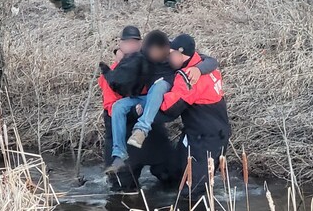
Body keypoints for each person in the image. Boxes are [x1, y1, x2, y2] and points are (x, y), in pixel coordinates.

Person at [100, 31, 218, 174]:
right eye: (152, 51)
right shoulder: (143, 54)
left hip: (168, 94)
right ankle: (119, 154)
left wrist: (198, 69)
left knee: (160, 85)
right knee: (119, 106)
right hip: (149, 99)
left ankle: (142, 129)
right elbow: (123, 69)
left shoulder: (174, 53)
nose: (155, 54)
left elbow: (210, 61)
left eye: (159, 51)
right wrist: (119, 55)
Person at [99, 26, 178, 193]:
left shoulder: (151, 61)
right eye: (127, 42)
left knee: (172, 177)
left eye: (135, 42)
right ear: (120, 45)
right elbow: (111, 108)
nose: (132, 46)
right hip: (123, 131)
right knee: (123, 190)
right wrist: (135, 111)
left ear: (141, 44)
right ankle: (119, 158)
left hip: (152, 134)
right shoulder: (114, 72)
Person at [160, 34, 230, 201]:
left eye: (171, 54)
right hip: (200, 133)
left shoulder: (188, 78)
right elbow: (210, 60)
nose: (168, 57)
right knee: (173, 174)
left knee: (192, 194)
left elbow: (169, 110)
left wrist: (150, 102)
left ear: (182, 55)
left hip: (206, 140)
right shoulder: (202, 64)